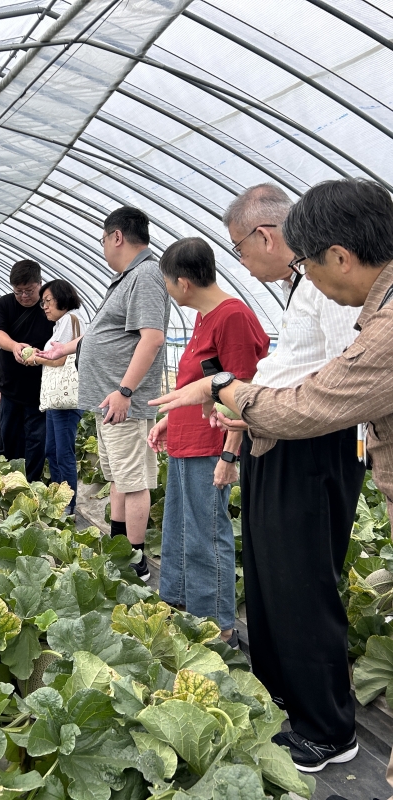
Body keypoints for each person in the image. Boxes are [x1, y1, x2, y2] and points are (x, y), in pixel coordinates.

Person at [149, 177, 393, 773]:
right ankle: (294, 703)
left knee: (302, 586)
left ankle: (327, 728)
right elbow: (293, 371)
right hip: (277, 431)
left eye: (239, 247)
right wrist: (244, 415)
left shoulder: (351, 302)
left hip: (312, 442)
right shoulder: (318, 287)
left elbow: (330, 390)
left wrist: (230, 395)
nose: (240, 260)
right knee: (275, 583)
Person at [146, 238, 269, 645]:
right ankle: (183, 609)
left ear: (183, 282)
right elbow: (196, 386)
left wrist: (230, 454)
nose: (167, 290)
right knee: (180, 529)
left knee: (205, 532)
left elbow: (244, 391)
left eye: (167, 282)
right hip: (186, 438)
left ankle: (218, 626)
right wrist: (169, 422)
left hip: (210, 444)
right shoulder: (204, 317)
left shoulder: (232, 316)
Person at [39, 206, 169, 582]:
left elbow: (153, 337)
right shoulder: (126, 278)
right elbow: (106, 331)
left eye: (102, 239)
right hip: (108, 401)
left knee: (133, 481)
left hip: (123, 402)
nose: (102, 247)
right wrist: (67, 349)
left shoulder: (145, 275)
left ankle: (136, 560)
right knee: (117, 478)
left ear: (116, 237)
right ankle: (117, 547)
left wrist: (125, 390)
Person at [24, 280, 86, 512]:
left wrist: (36, 358)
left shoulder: (70, 320)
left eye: (48, 301)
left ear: (63, 298)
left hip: (66, 401)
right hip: (55, 399)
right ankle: (58, 496)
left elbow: (59, 359)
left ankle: (68, 504)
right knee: (52, 450)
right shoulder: (59, 324)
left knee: (63, 452)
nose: (45, 307)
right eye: (43, 303)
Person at [0, 260, 54, 481]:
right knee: (7, 436)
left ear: (39, 283)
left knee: (37, 440)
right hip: (10, 388)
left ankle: (32, 483)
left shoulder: (49, 306)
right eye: (19, 292)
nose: (24, 296)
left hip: (40, 390)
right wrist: (15, 346)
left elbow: (64, 339)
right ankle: (8, 481)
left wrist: (42, 356)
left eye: (29, 291)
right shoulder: (5, 304)